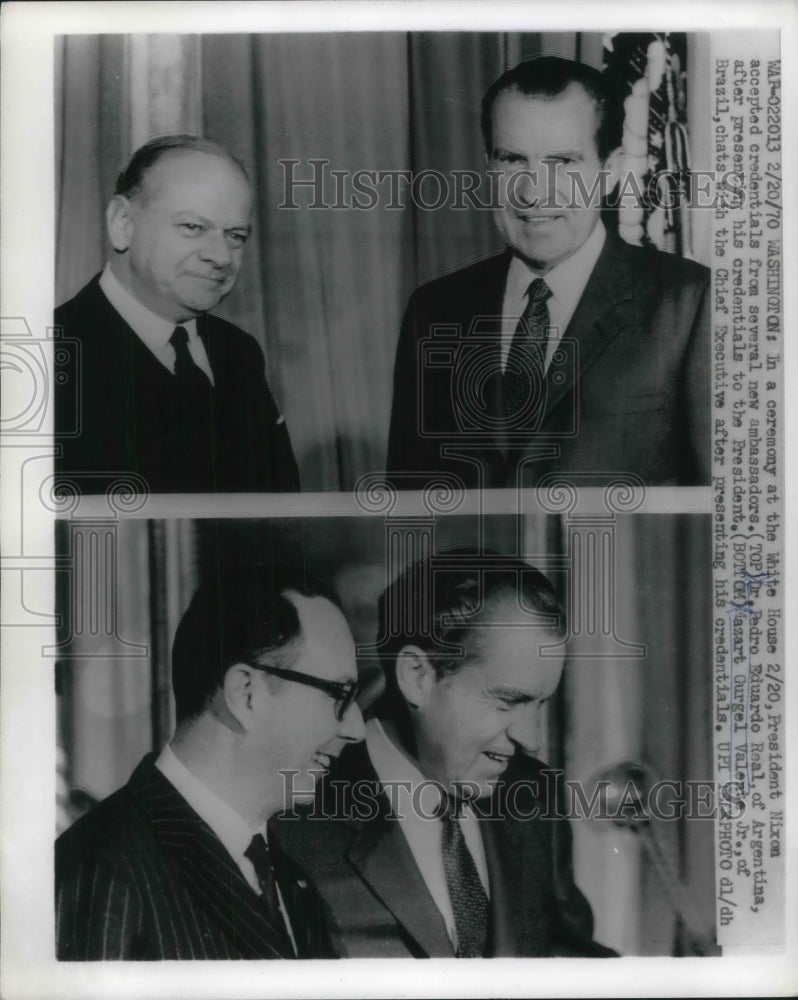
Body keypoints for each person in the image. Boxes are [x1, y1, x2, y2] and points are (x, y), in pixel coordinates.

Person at [386, 56, 709, 489]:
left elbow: (719, 519)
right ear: (489, 167)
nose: (533, 192)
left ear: (610, 172)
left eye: (562, 163)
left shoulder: (689, 304)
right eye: (513, 160)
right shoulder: (432, 311)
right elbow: (405, 509)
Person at [276, 551, 616, 958]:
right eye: (508, 701)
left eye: (540, 704)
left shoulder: (534, 795)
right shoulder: (295, 816)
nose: (532, 739)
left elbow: (569, 956)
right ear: (418, 676)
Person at [55, 563, 365, 959]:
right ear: (245, 693)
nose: (357, 728)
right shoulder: (103, 872)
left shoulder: (290, 880)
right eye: (339, 694)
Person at [55, 135, 300, 494]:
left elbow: (282, 516)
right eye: (193, 227)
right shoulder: (47, 356)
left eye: (235, 235)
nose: (220, 255)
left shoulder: (238, 352)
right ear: (123, 223)